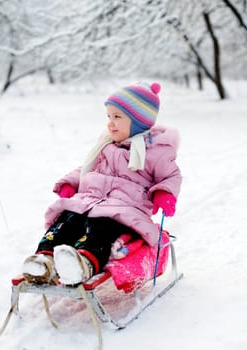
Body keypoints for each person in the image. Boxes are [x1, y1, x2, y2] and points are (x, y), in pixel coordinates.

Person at [22, 82, 182, 286]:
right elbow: (86, 169)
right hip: (89, 200)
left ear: (138, 121)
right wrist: (71, 182)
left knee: (101, 228)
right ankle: (44, 260)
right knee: (67, 219)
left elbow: (170, 176)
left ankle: (83, 263)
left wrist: (164, 193)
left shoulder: (157, 151)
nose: (110, 123)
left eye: (117, 117)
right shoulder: (106, 144)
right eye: (108, 117)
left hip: (124, 209)